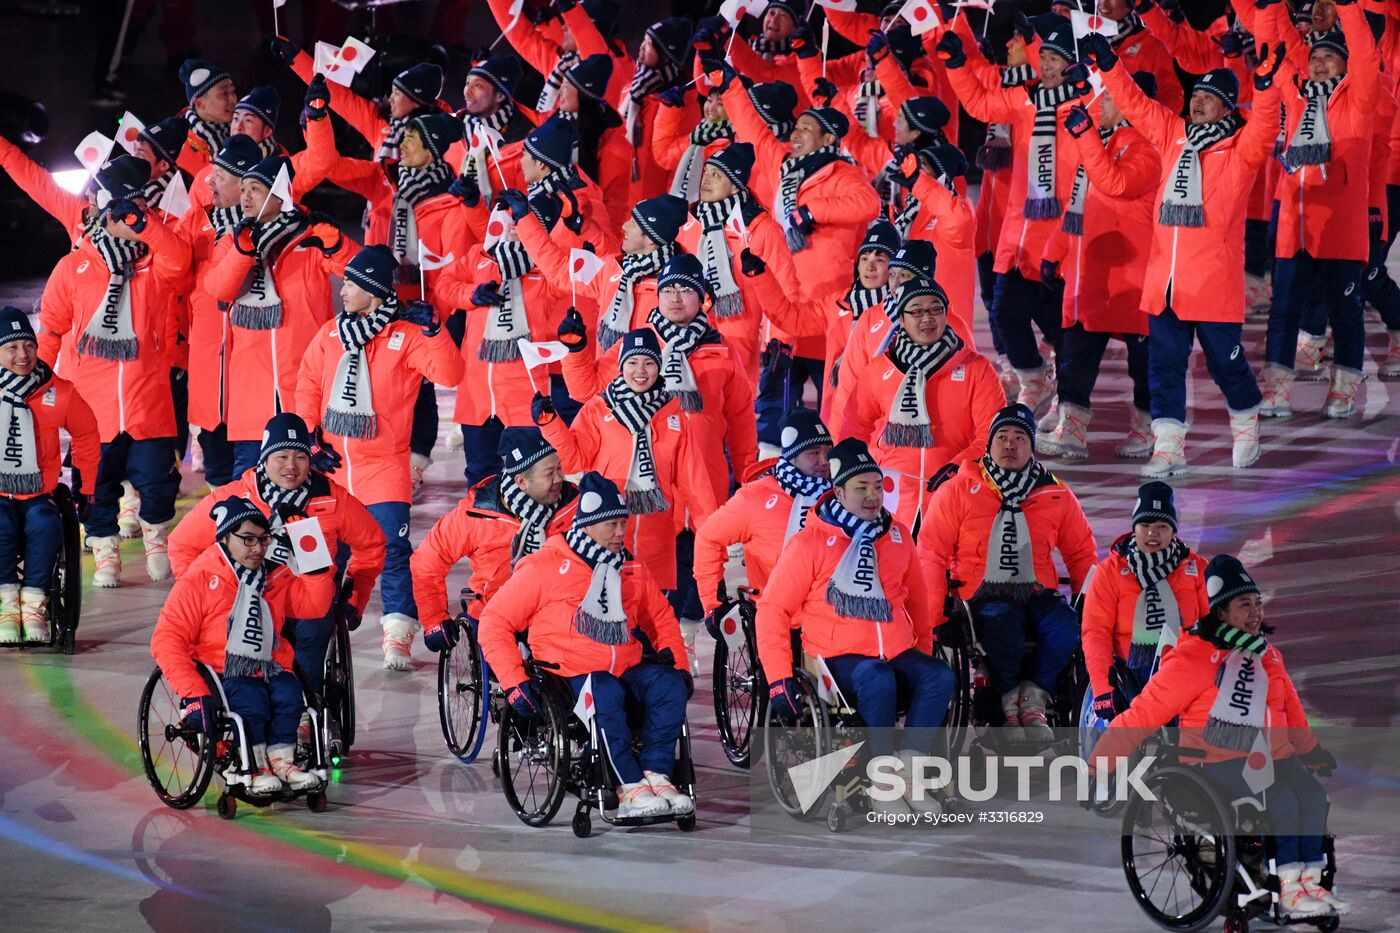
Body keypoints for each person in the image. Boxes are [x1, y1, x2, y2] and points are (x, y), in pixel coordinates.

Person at [1094, 555, 1348, 919]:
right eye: (1244, 605)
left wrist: (1312, 751)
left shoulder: (1267, 655)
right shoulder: (1195, 658)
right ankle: (1289, 886)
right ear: (1221, 612)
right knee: (1280, 798)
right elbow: (1145, 712)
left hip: (1270, 755)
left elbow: (1290, 713)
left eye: (1258, 603)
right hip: (1214, 761)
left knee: (1311, 793)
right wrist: (1102, 757)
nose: (1255, 612)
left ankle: (1310, 880)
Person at [1086, 33, 1285, 476]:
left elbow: (1267, 126)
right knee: (1165, 367)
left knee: (1224, 365)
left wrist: (1268, 87)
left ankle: (1246, 420)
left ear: (1227, 109)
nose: (1197, 103)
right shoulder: (1173, 133)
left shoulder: (1240, 151)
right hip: (1164, 284)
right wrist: (1108, 65)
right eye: (1195, 95)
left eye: (1209, 99)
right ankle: (1169, 446)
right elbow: (1135, 105)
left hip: (1211, 283)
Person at [477, 472, 695, 819]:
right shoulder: (545, 567)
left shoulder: (632, 567)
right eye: (611, 524)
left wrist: (680, 666)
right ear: (587, 524)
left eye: (624, 523)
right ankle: (629, 785)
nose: (621, 533)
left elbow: (662, 620)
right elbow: (493, 622)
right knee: (604, 688)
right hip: (567, 675)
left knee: (669, 684)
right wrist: (513, 681)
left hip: (624, 667)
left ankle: (657, 774)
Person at [757, 438, 955, 807]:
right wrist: (778, 677)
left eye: (877, 486)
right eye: (861, 487)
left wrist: (922, 657)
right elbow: (772, 609)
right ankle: (881, 781)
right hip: (835, 658)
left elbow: (918, 603)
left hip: (894, 650)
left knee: (938, 675)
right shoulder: (810, 543)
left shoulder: (896, 536)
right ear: (838, 492)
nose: (872, 496)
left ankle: (908, 773)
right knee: (876, 678)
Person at [295, 245, 465, 671]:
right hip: (332, 468)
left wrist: (434, 332)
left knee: (392, 550)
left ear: (373, 291)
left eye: (351, 284)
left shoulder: (405, 336)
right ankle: (318, 623)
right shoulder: (329, 334)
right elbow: (308, 385)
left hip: (384, 467)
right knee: (320, 556)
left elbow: (450, 374)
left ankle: (397, 634)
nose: (343, 290)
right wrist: (308, 439)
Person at [37, 155, 191, 588]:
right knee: (96, 487)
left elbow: (180, 261)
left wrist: (146, 228)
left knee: (158, 482)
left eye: (134, 213)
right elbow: (51, 327)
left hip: (148, 399)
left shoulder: (154, 263)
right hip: (91, 403)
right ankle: (104, 549)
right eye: (118, 214)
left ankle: (156, 538)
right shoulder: (76, 265)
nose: (123, 222)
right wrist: (36, 383)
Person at [934, 15, 1092, 415]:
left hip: (1058, 241)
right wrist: (956, 66)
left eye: (1057, 59)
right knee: (1004, 313)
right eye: (1048, 59)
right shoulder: (1026, 100)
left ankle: (1069, 404)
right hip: (1017, 237)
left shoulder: (1082, 109)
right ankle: (1033, 379)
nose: (1051, 67)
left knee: (1060, 327)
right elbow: (979, 102)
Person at [166, 413, 386, 697]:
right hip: (247, 600)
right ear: (264, 460)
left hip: (307, 599)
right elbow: (182, 545)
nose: (291, 466)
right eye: (281, 456)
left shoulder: (332, 497)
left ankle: (305, 710)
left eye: (300, 457)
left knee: (314, 628)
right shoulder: (234, 500)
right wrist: (202, 594)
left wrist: (355, 596)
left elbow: (373, 543)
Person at [919, 404, 1097, 743]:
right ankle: (1005, 700)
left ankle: (1033, 695)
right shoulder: (958, 490)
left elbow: (1082, 553)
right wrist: (934, 617)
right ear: (989, 444)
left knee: (1066, 628)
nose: (1010, 445)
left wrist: (1090, 606)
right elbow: (930, 552)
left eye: (1019, 438)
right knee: (1005, 627)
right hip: (979, 595)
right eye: (1002, 437)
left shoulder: (1055, 493)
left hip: (1036, 593)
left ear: (1032, 447)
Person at [150, 496, 335, 795]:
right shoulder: (198, 580)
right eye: (247, 539)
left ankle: (282, 761)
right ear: (225, 537)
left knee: (289, 693)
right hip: (221, 672)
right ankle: (253, 764)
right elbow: (166, 640)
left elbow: (316, 605)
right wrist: (193, 693)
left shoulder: (274, 578)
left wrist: (307, 539)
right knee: (250, 699)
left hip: (270, 667)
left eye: (263, 540)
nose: (258, 548)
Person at [1257, 3, 1379, 419]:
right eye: (1315, 57)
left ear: (1345, 65)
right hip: (1296, 227)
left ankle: (1344, 389)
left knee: (1346, 313)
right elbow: (1278, 44)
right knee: (1283, 311)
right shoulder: (1296, 93)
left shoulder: (1359, 97)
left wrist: (1347, 6)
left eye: (1330, 57)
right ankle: (1275, 392)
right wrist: (1266, 7)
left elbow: (1367, 53)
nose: (1320, 63)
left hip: (1340, 231)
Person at [203, 154, 353, 479]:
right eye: (243, 189)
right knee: (249, 483)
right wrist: (243, 253)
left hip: (303, 383)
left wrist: (337, 246)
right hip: (250, 388)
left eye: (255, 189)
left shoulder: (309, 239)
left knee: (309, 483)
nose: (245, 197)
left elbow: (357, 277)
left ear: (280, 193)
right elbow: (218, 288)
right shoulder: (234, 238)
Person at [1036, 75, 1162, 461]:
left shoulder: (1148, 151)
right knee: (1076, 352)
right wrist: (1054, 250)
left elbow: (1115, 184)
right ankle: (1071, 429)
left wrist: (1086, 137)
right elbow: (1081, 207)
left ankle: (1147, 430)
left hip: (1134, 279)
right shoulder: (1103, 144)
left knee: (1144, 363)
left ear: (1129, 104)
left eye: (1106, 99)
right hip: (1091, 276)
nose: (1098, 105)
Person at [536, 328, 717, 591]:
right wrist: (550, 424)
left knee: (653, 623)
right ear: (621, 367)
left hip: (656, 540)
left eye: (649, 362)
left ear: (660, 367)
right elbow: (573, 461)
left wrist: (713, 540)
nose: (640, 371)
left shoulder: (674, 417)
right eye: (632, 362)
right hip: (603, 538)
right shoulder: (598, 410)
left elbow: (696, 486)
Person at [841, 277, 1004, 533]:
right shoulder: (880, 368)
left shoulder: (975, 368)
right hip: (892, 499)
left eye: (935, 309)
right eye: (916, 311)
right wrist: (864, 471)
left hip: (956, 494)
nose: (927, 318)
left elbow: (994, 434)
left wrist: (957, 469)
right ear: (902, 320)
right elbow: (853, 427)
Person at [412, 427, 579, 649]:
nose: (559, 478)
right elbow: (427, 561)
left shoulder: (576, 506)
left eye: (560, 468)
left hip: (561, 616)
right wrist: (434, 619)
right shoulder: (477, 513)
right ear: (521, 481)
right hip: (496, 617)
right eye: (550, 473)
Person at [0, 308, 100, 644]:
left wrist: (85, 487)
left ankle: (32, 606)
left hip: (39, 493)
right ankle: (6, 607)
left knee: (45, 524)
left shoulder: (58, 390)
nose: (22, 355)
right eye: (11, 348)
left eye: (28, 345)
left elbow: (86, 434)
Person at [1079, 481, 1208, 718]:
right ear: (1134, 528)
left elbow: (1215, 627)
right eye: (1145, 525)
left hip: (1186, 668)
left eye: (1162, 526)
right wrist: (1103, 688)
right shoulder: (1110, 572)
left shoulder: (1197, 570)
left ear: (1173, 531)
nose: (1152, 533)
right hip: (1133, 670)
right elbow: (1096, 632)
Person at [692, 407, 832, 619]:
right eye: (813, 453)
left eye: (827, 452)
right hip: (777, 622)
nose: (824, 461)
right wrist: (714, 601)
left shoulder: (841, 492)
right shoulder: (756, 497)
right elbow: (708, 537)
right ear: (792, 456)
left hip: (831, 621)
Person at [176, 59, 238, 176]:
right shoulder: (176, 145)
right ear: (200, 104)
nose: (233, 100)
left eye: (233, 92)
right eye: (224, 94)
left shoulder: (245, 131)